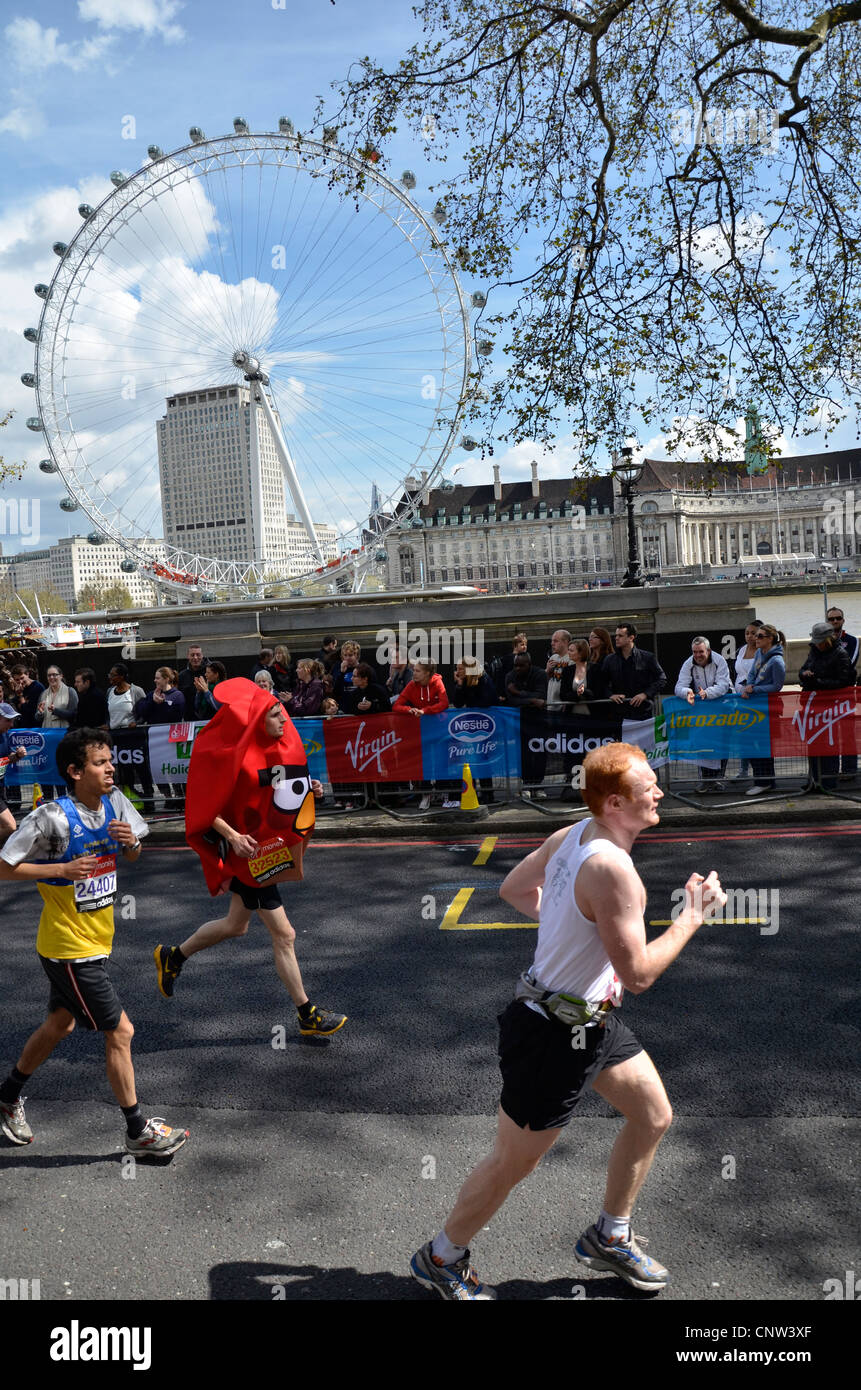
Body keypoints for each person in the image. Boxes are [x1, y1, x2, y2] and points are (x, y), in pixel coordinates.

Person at [409, 742, 726, 1300]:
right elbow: (640, 975)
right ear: (612, 803)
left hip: (593, 1023)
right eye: (646, 785)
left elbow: (514, 890)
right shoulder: (613, 871)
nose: (657, 790)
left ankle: (610, 1235)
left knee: (652, 1116)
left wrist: (576, 932)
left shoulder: (572, 833)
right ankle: (442, 1256)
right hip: (552, 1035)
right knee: (512, 1162)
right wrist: (692, 918)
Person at [0, 727, 189, 1156]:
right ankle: (138, 1131)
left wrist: (132, 845)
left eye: (110, 760)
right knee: (121, 1031)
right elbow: (3, 867)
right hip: (69, 948)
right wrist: (59, 871)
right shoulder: (51, 818)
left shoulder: (116, 802)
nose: (110, 768)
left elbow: (134, 853)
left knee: (60, 1024)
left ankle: (7, 1097)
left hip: (98, 941)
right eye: (100, 763)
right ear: (74, 771)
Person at [154, 681, 346, 1038]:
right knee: (285, 934)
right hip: (251, 858)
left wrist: (309, 787)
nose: (284, 722)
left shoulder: (275, 748)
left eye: (282, 715)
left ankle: (173, 956)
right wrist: (231, 836)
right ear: (258, 719)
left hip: (265, 851)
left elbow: (279, 787)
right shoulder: (235, 755)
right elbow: (202, 807)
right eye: (276, 716)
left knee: (235, 926)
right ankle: (307, 1014)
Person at [798, 620, 855, 791]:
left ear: (828, 640)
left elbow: (845, 681)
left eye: (821, 643)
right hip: (813, 704)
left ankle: (828, 782)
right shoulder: (814, 651)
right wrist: (804, 674)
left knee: (829, 744)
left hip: (831, 706)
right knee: (813, 744)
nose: (818, 646)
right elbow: (802, 669)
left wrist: (818, 681)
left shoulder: (840, 654)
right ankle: (814, 780)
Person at [674, 637, 732, 793]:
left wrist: (707, 693)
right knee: (703, 743)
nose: (697, 655)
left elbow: (723, 685)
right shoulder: (689, 663)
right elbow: (679, 686)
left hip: (722, 706)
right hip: (702, 710)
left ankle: (718, 779)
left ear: (708, 651)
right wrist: (688, 692)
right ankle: (705, 781)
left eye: (701, 652)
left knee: (721, 744)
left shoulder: (720, 661)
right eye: (694, 652)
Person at [394, 660, 450, 810]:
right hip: (421, 730)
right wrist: (409, 710)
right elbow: (397, 705)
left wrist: (425, 710)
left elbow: (444, 703)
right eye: (414, 670)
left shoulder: (437, 682)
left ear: (427, 673)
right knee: (424, 762)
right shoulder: (412, 684)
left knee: (440, 760)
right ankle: (426, 794)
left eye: (418, 671)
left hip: (439, 729)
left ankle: (442, 791)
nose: (414, 673)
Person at [740, 624, 786, 795]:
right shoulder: (760, 653)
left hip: (768, 708)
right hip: (754, 705)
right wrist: (749, 685)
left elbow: (777, 686)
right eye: (756, 635)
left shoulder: (777, 661)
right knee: (752, 744)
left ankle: (764, 781)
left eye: (760, 636)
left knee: (762, 745)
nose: (755, 639)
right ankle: (763, 780)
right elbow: (752, 672)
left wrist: (755, 689)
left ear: (770, 639)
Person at [452, 657, 498, 803]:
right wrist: (459, 685)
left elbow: (487, 701)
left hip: (486, 726)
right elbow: (458, 703)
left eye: (460, 668)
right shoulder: (464, 681)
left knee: (484, 759)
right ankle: (476, 792)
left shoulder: (483, 678)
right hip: (471, 726)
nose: (457, 671)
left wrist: (471, 700)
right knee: (473, 760)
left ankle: (488, 794)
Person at [107, 663, 152, 809]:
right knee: (124, 772)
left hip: (133, 736)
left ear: (121, 677)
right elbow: (109, 713)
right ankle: (131, 801)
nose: (110, 677)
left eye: (113, 675)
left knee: (141, 768)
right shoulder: (109, 691)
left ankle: (149, 800)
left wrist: (137, 722)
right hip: (117, 736)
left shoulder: (136, 691)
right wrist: (108, 724)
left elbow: (145, 710)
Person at [504, 653, 548, 799]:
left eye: (521, 665)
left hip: (539, 719)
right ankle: (527, 784)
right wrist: (532, 700)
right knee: (524, 753)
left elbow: (541, 695)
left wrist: (518, 692)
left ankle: (538, 785)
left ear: (529, 664)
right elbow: (512, 701)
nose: (517, 668)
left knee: (540, 751)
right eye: (515, 665)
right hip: (520, 720)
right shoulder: (510, 676)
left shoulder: (540, 674)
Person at [601, 624, 667, 720]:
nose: (616, 638)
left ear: (631, 638)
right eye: (616, 635)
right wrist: (610, 695)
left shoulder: (647, 657)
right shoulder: (609, 660)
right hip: (618, 713)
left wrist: (645, 694)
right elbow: (601, 682)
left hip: (643, 712)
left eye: (620, 636)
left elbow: (661, 679)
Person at [36, 666, 79, 801]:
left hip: (64, 737)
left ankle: (67, 800)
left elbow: (74, 715)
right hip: (47, 740)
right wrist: (40, 713)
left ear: (61, 675)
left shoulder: (70, 691)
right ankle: (48, 800)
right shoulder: (43, 694)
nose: (52, 678)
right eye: (49, 675)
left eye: (54, 675)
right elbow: (37, 718)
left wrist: (57, 711)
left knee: (64, 770)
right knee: (49, 769)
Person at [728, 622, 763, 783]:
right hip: (740, 702)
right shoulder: (741, 650)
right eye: (747, 633)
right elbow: (737, 673)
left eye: (754, 633)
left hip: (756, 702)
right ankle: (743, 770)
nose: (750, 636)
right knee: (743, 736)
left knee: (756, 738)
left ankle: (761, 772)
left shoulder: (763, 652)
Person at [825, 608, 858, 778]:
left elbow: (849, 665)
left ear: (843, 621)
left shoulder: (852, 641)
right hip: (826, 696)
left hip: (845, 694)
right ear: (827, 621)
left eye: (838, 618)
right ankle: (830, 770)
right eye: (831, 619)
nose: (835, 621)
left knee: (847, 733)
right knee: (828, 732)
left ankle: (849, 769)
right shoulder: (820, 642)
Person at [0, 702, 27, 847]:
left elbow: (7, 758)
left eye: (12, 720)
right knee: (10, 826)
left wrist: (17, 755)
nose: (11, 724)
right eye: (8, 720)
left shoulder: (4, 735)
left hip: (1, 788)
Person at [177, 644, 208, 721]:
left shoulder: (210, 672)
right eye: (192, 655)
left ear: (202, 656)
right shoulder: (181, 676)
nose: (195, 658)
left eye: (198, 655)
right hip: (190, 719)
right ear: (188, 656)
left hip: (208, 717)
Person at [545, 629, 573, 707]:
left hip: (564, 705)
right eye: (552, 641)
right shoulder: (553, 657)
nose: (552, 644)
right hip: (551, 705)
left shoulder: (572, 659)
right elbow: (545, 681)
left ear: (566, 642)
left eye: (555, 641)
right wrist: (547, 671)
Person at [587, 628, 614, 701]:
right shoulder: (588, 658)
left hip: (605, 699)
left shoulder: (610, 658)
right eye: (589, 637)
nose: (590, 639)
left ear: (603, 640)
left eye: (593, 637)